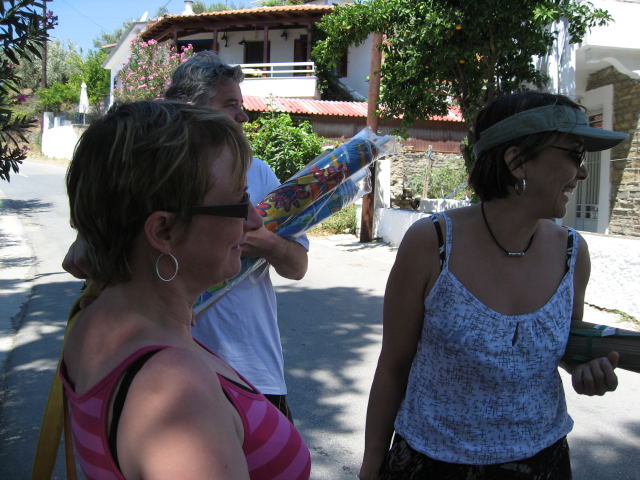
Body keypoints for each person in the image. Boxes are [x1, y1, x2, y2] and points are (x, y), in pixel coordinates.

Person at [359, 92, 628, 479]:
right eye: (574, 154)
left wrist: (586, 368)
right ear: (516, 161)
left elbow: (563, 344)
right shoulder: (432, 244)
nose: (582, 173)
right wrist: (371, 467)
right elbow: (393, 366)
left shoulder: (572, 253)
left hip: (543, 462)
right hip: (433, 464)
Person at [61, 100, 311, 479]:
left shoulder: (93, 315)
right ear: (163, 230)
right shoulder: (174, 393)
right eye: (239, 201)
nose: (254, 220)